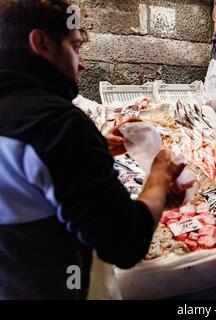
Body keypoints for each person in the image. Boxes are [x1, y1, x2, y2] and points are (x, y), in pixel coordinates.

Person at [0, 0, 189, 299]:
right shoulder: (56, 123)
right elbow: (126, 243)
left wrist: (96, 148)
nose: (83, 63)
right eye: (75, 48)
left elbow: (25, 180)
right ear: (41, 43)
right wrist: (160, 174)